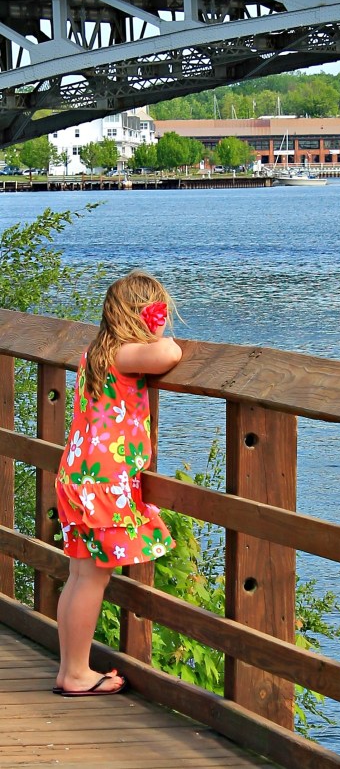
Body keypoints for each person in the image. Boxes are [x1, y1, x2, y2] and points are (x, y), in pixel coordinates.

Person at [53, 270, 183, 697]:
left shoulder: (96, 352)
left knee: (79, 574)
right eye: (158, 311)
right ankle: (76, 673)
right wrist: (157, 331)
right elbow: (169, 353)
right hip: (103, 480)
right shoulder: (125, 354)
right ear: (142, 314)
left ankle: (70, 669)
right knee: (93, 579)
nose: (163, 319)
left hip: (79, 473)